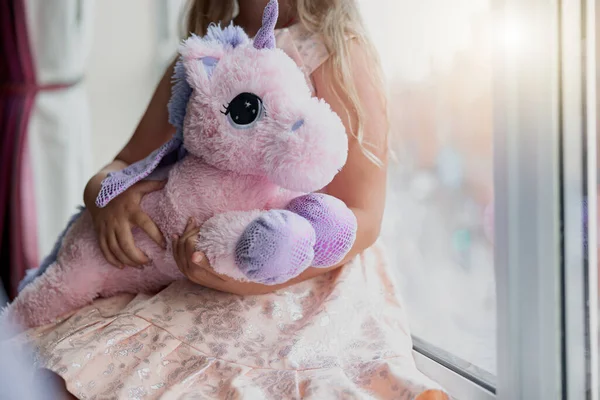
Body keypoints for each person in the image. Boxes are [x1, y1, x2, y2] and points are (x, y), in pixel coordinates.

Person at [12, 0, 448, 398]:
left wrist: (251, 277)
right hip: (192, 258)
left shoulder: (336, 53)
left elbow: (365, 216)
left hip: (307, 270)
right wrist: (108, 200)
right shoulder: (206, 56)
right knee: (58, 367)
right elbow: (121, 163)